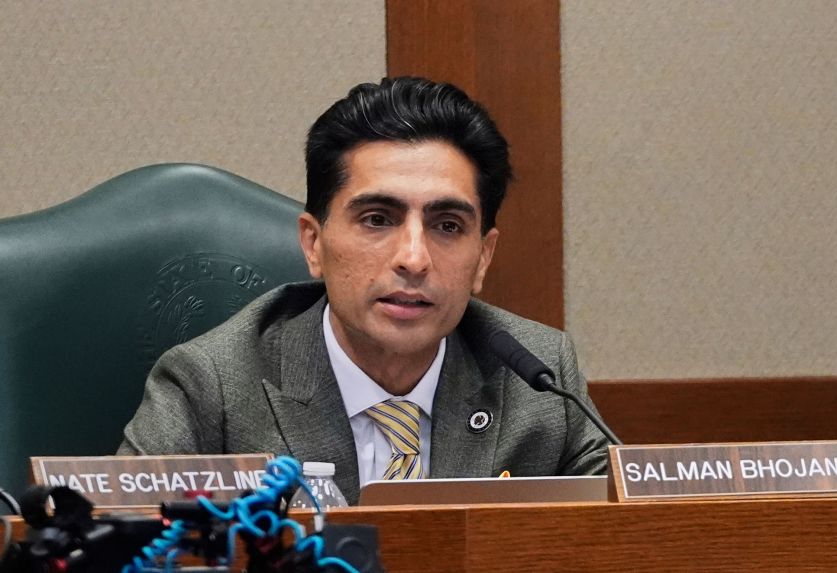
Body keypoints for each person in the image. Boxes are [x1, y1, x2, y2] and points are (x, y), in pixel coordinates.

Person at [119, 76, 608, 504]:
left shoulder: (539, 379)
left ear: (483, 257)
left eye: (448, 226)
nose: (414, 259)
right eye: (377, 219)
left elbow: (631, 540)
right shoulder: (214, 384)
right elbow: (122, 550)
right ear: (314, 244)